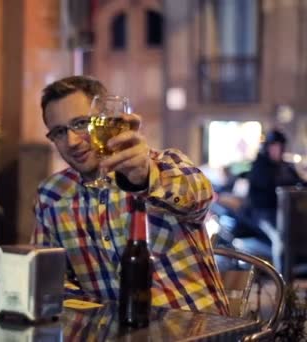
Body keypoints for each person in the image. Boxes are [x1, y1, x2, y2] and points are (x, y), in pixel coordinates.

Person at [32, 76, 229, 315]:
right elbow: (51, 279)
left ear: (103, 119)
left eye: (81, 123)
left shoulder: (163, 165)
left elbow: (201, 198)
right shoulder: (52, 195)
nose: (72, 141)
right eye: (60, 132)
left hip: (198, 328)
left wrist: (145, 177)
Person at [246, 129, 306, 227]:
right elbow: (271, 185)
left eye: (279, 147)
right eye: (274, 146)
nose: (277, 150)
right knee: (278, 237)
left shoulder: (285, 166)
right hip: (262, 214)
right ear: (267, 148)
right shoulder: (260, 165)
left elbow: (298, 181)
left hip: (282, 212)